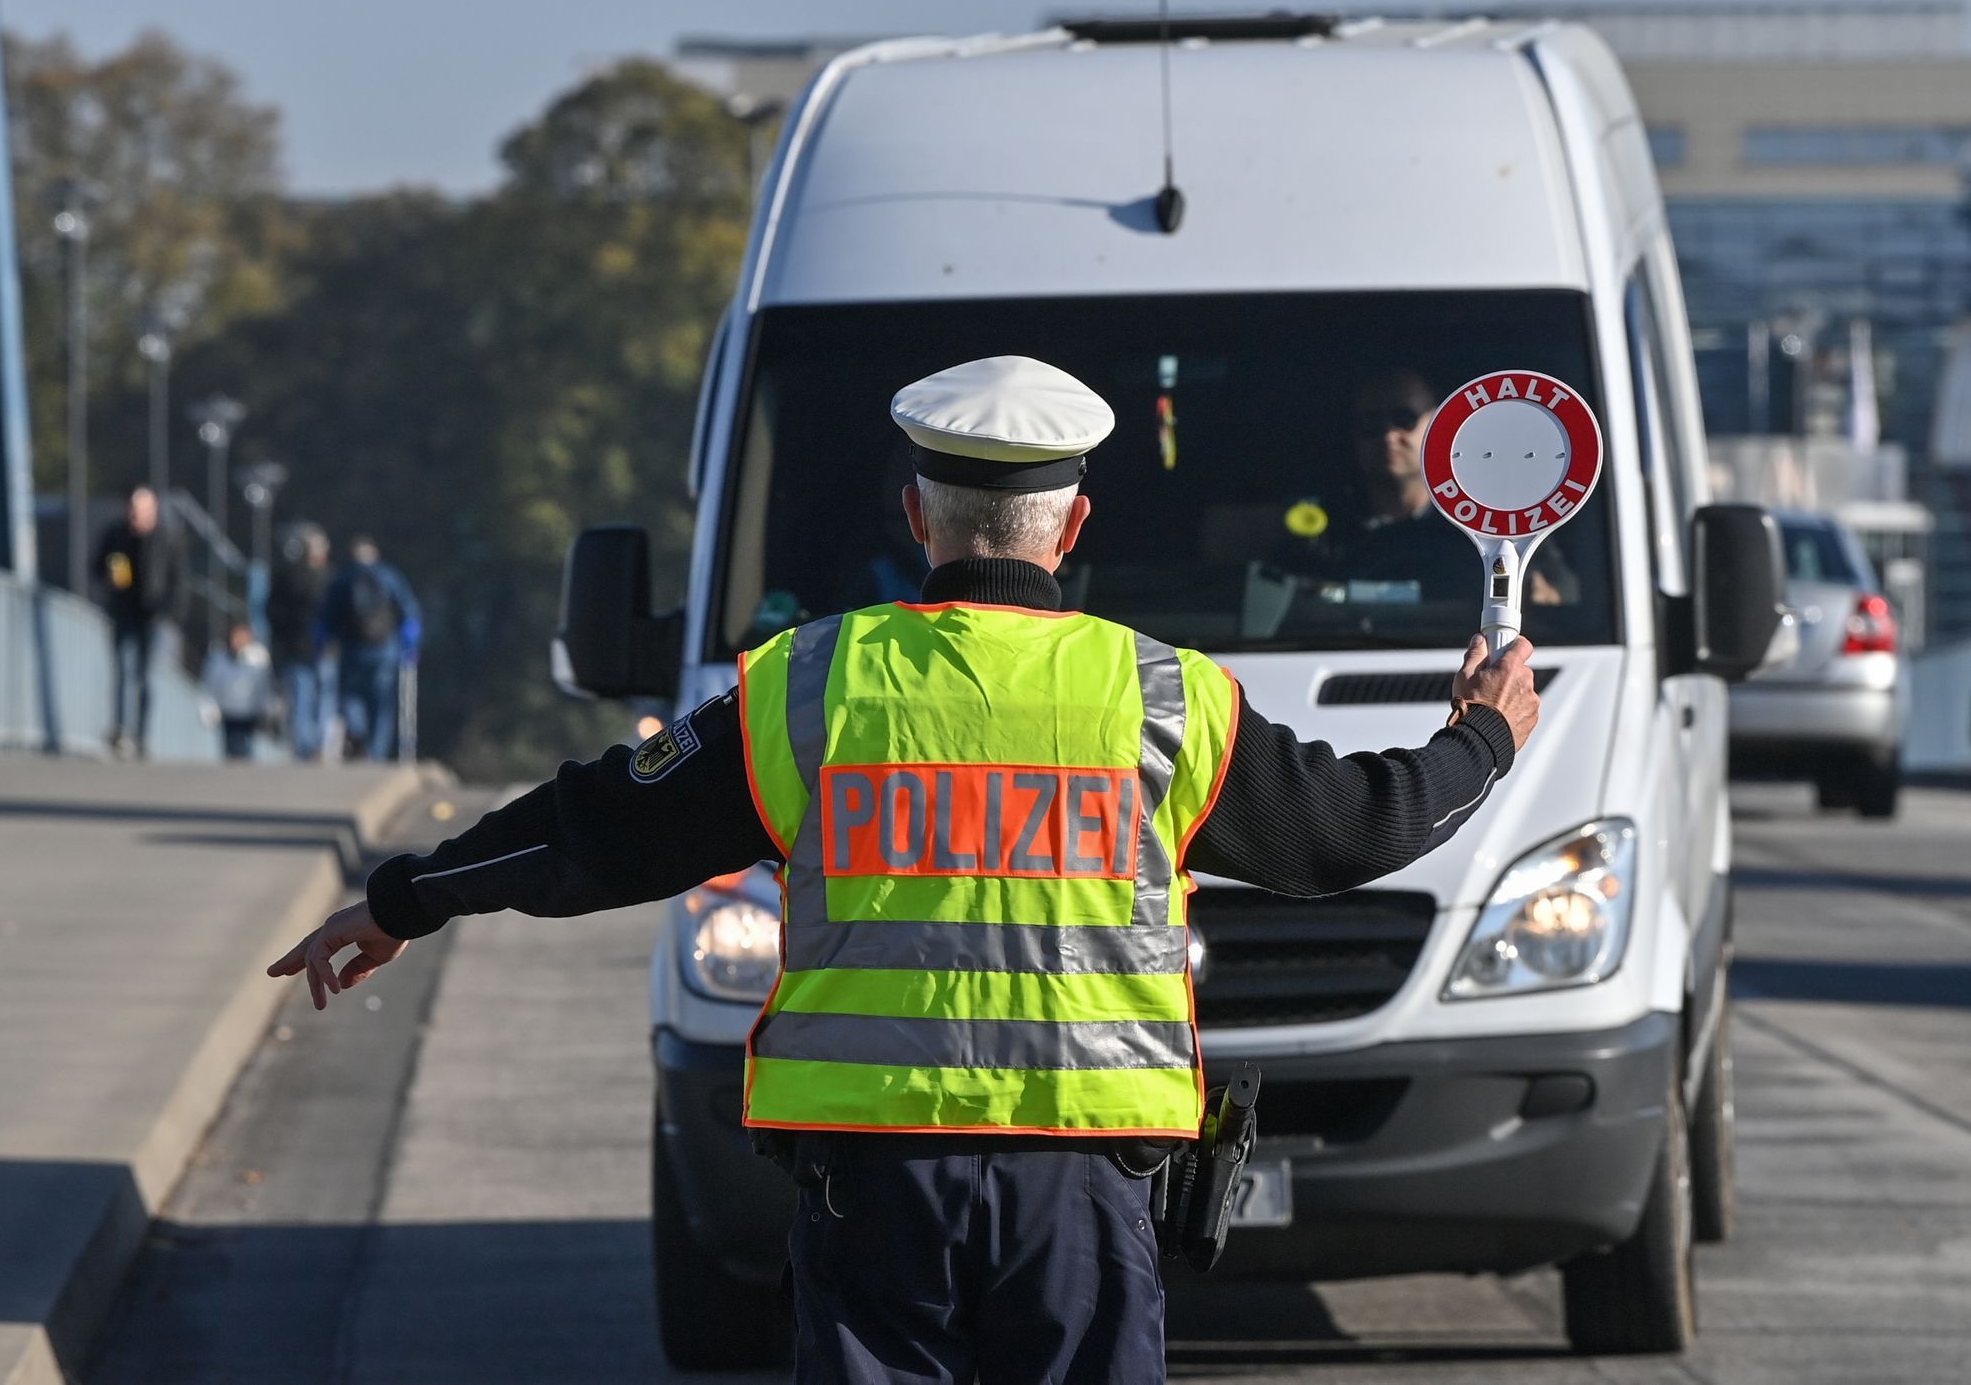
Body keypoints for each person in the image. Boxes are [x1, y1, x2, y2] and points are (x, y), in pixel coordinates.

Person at [269, 356, 1540, 1385]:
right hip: (1080, 1188)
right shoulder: (1162, 696)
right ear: (1074, 525)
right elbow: (1351, 833)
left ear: (917, 517)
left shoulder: (806, 685)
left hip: (874, 1187)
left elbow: (594, 828)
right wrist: (1480, 734)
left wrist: (403, 900)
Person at [1332, 369, 1572, 604]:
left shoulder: (1491, 523)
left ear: (1437, 425)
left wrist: (1543, 594)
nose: (1389, 435)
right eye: (1371, 423)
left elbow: (1568, 594)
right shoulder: (1327, 528)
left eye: (1405, 419)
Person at [92, 485, 179, 758]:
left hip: (151, 616)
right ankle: (119, 730)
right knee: (120, 673)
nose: (134, 514)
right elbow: (95, 566)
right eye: (132, 508)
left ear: (152, 510)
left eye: (140, 509)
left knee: (144, 677)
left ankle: (141, 736)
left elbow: (177, 578)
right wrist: (109, 574)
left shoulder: (166, 538)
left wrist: (171, 612)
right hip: (121, 612)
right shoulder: (116, 535)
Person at [317, 536, 420, 761]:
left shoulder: (343, 579)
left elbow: (327, 617)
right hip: (385, 650)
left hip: (352, 650)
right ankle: (377, 752)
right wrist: (410, 642)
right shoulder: (389, 576)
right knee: (381, 703)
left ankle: (358, 734)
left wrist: (323, 641)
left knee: (350, 697)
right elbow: (408, 611)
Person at [267, 525, 332, 759]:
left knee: (304, 700)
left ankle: (308, 747)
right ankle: (313, 746)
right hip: (314, 649)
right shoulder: (324, 579)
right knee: (316, 699)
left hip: (299, 648)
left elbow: (271, 612)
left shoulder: (287, 576)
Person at [202, 622, 276, 759]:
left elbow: (265, 686)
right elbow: (212, 683)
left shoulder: (258, 660)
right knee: (229, 748)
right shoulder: (220, 659)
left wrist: (266, 707)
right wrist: (210, 705)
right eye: (236, 637)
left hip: (249, 713)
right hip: (228, 712)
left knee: (245, 748)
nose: (239, 642)